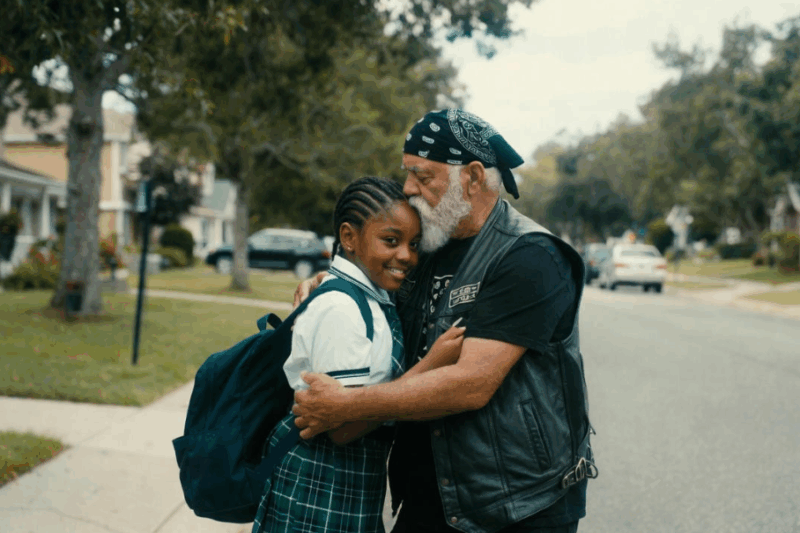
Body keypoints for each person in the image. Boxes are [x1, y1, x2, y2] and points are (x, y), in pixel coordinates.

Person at [291, 110, 596, 533]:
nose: (408, 189)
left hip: (517, 506)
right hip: (432, 497)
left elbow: (471, 383)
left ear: (472, 177)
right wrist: (332, 282)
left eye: (422, 176)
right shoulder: (427, 247)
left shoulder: (531, 258)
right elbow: (376, 288)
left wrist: (345, 405)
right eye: (407, 175)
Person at [252, 176, 466, 533]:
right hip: (320, 489)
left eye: (414, 244)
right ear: (349, 238)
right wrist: (429, 368)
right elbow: (341, 428)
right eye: (391, 241)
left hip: (348, 485)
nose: (406, 256)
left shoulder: (371, 297)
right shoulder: (342, 309)